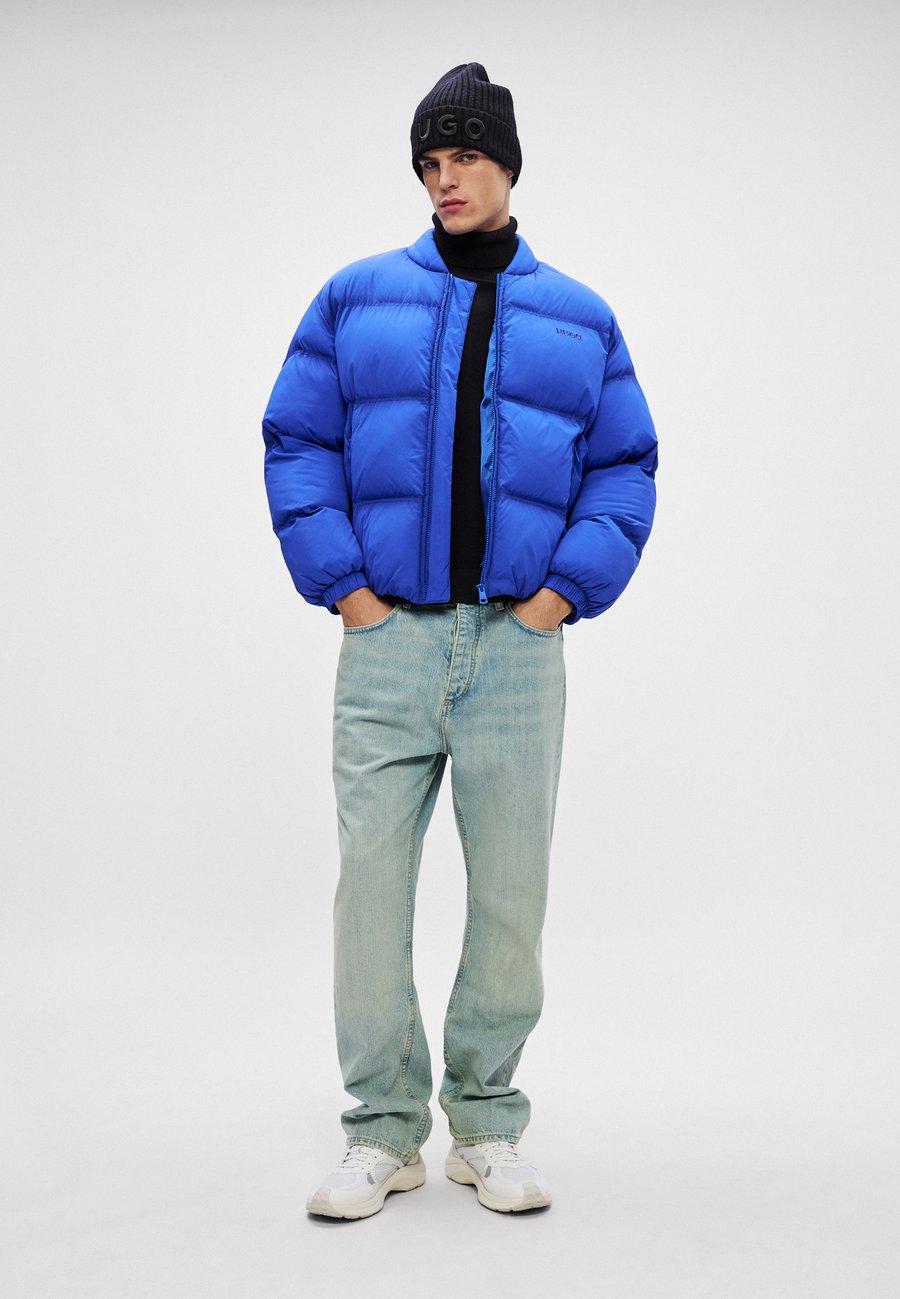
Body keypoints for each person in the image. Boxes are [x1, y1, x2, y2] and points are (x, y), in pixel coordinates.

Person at [261, 62, 659, 1219]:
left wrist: (561, 597)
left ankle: (486, 1126)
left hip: (518, 652)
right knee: (370, 895)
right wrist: (348, 591)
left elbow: (625, 464)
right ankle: (382, 1131)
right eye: (430, 164)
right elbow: (296, 438)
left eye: (465, 158)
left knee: (510, 900)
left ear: (507, 165)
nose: (445, 179)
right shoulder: (355, 297)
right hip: (387, 643)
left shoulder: (580, 316)